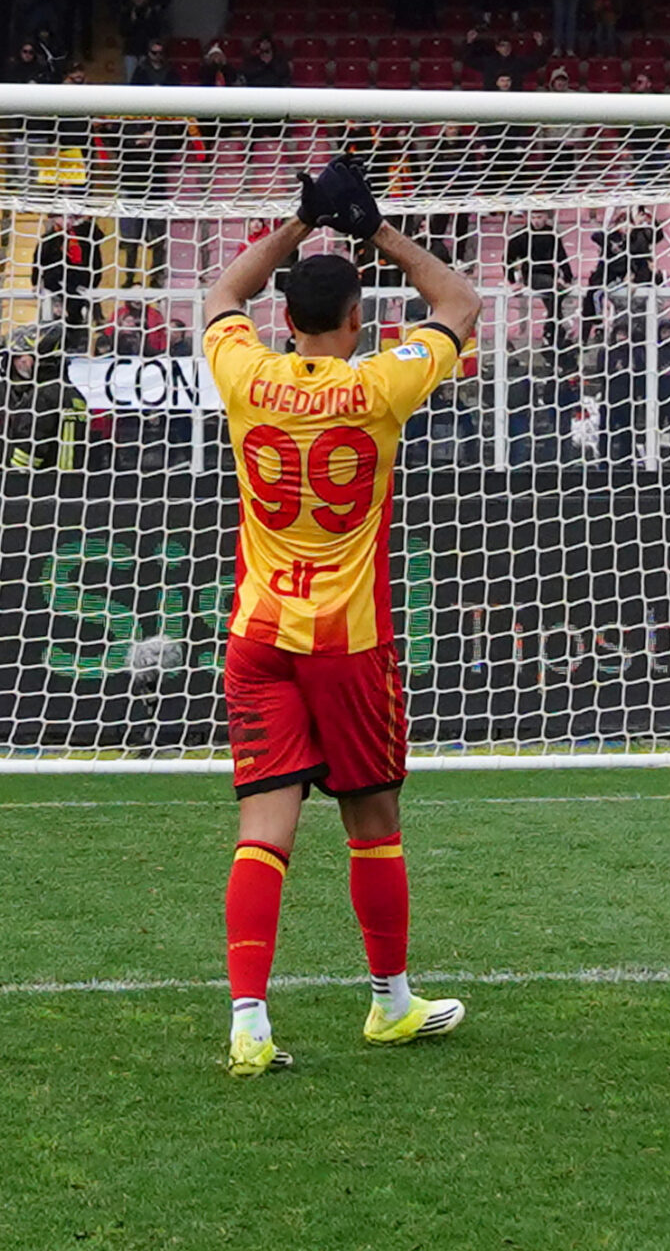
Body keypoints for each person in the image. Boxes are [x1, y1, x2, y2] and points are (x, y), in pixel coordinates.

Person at [201, 184, 481, 1077]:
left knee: (263, 830)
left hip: (258, 635)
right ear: (358, 319)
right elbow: (461, 303)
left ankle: (249, 1023)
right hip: (348, 642)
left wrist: (298, 219)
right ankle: (390, 1003)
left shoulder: (246, 373)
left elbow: (221, 294)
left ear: (285, 319)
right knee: (373, 819)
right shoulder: (380, 384)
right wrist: (378, 229)